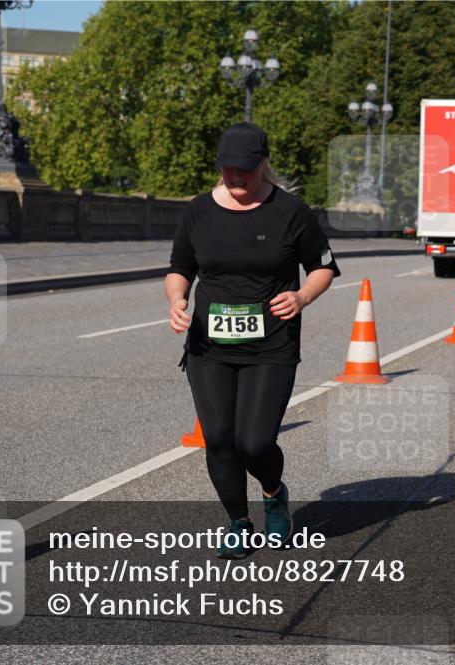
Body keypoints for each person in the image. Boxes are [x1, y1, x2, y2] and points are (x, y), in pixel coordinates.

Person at [166, 122, 340, 558]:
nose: (236, 177)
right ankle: (238, 523)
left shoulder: (290, 211)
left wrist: (302, 295)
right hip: (209, 344)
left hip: (272, 344)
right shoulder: (199, 211)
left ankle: (273, 494)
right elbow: (180, 267)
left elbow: (323, 267)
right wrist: (177, 299)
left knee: (255, 442)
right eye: (228, 169)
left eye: (245, 169)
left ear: (263, 164)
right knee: (220, 438)